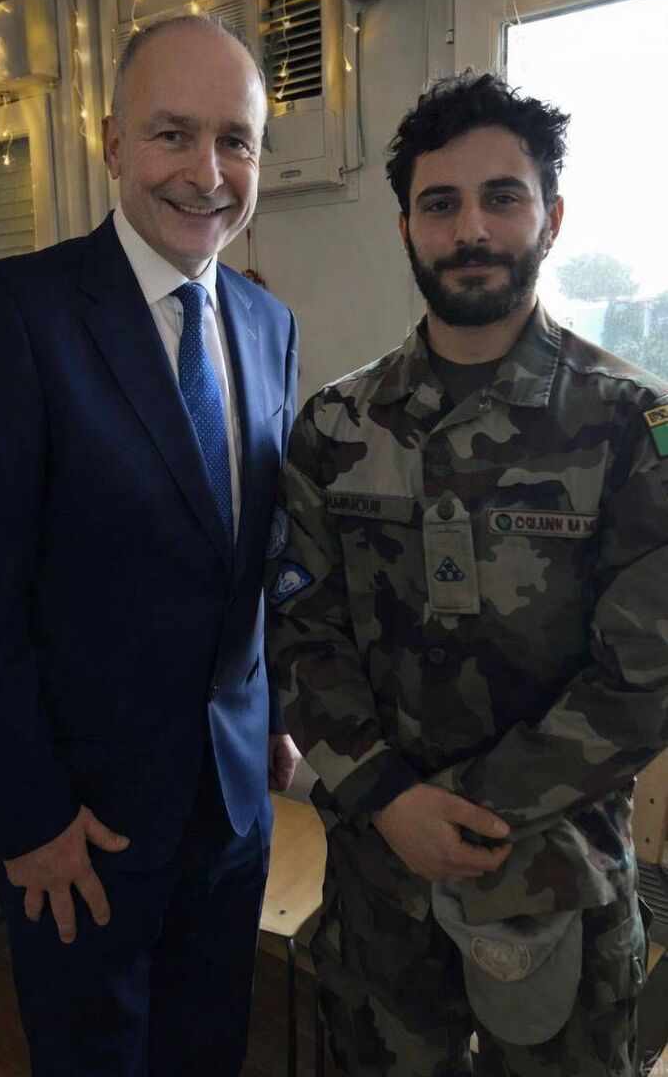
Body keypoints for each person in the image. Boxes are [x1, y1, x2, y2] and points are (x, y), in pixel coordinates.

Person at [0, 15, 299, 1077]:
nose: (207, 172)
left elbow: (248, 557)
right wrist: (28, 817)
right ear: (110, 143)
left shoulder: (267, 328)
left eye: (235, 140)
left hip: (228, 809)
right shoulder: (13, 316)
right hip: (80, 826)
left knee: (206, 1048)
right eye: (172, 134)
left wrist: (269, 721)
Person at [266, 71, 668, 1076]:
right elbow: (300, 635)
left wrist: (473, 810)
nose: (470, 229)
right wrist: (391, 798)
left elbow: (644, 676)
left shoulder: (630, 423)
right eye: (439, 204)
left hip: (552, 878)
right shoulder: (333, 425)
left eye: (501, 197)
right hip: (377, 878)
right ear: (404, 226)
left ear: (550, 215)